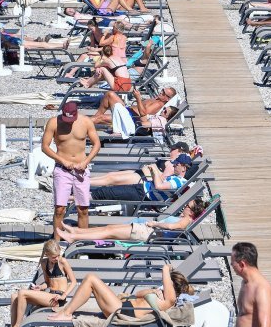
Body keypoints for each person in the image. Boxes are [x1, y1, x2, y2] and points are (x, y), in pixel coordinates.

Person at [48, 263, 193, 321]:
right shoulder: (162, 295)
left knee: (91, 278)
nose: (163, 284)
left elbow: (168, 276)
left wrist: (166, 268)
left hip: (122, 311)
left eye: (166, 282)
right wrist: (152, 290)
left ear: (171, 285)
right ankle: (67, 311)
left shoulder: (170, 300)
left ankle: (67, 313)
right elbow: (137, 294)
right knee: (91, 280)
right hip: (122, 305)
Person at [41, 102, 101, 239]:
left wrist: (86, 161)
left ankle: (82, 240)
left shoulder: (85, 121)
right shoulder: (53, 123)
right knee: (59, 208)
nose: (68, 123)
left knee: (83, 209)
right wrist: (62, 160)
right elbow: (45, 146)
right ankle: (56, 242)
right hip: (62, 170)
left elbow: (96, 143)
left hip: (81, 170)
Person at [0, 240, 77, 327]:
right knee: (14, 296)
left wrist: (64, 295)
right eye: (53, 257)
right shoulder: (44, 263)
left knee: (22, 293)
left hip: (58, 299)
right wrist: (39, 287)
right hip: (50, 296)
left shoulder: (62, 261)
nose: (56, 258)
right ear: (47, 254)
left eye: (58, 255)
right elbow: (48, 283)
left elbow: (73, 282)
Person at [57, 198, 209, 243]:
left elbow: (171, 226)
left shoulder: (185, 221)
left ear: (192, 212)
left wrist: (155, 223)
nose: (184, 207)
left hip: (146, 232)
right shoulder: (186, 218)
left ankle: (74, 237)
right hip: (146, 230)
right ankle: (77, 231)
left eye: (187, 206)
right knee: (109, 228)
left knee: (108, 232)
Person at [91, 153, 192, 202]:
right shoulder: (175, 177)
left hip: (143, 193)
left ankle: (78, 195)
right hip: (142, 186)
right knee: (109, 181)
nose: (173, 165)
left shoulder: (178, 182)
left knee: (106, 190)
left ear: (183, 167)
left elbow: (159, 186)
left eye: (176, 164)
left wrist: (154, 171)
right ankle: (82, 186)